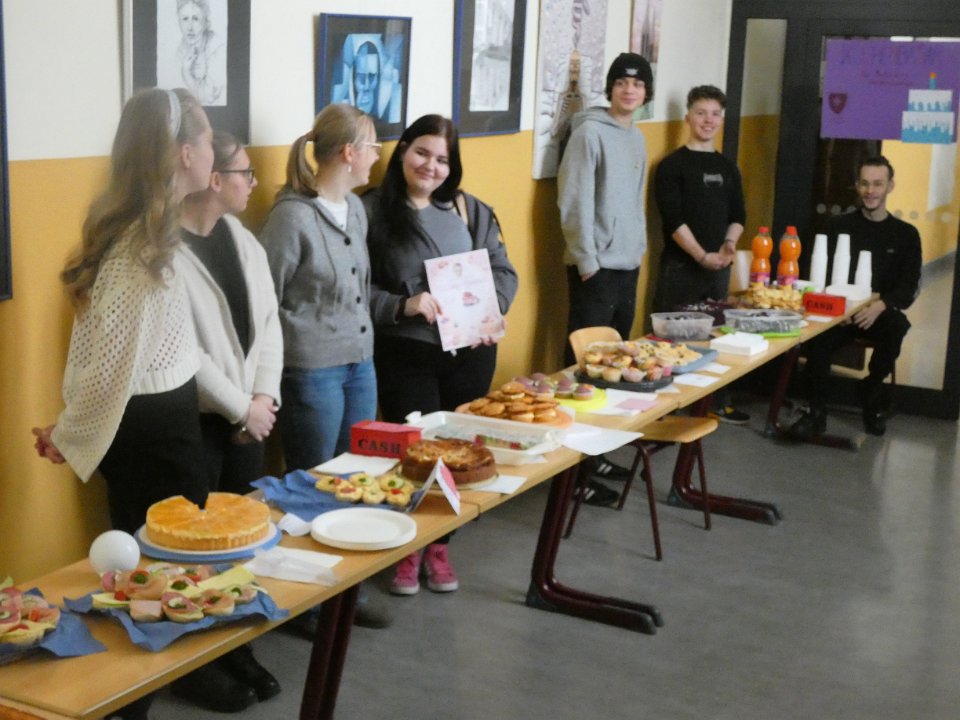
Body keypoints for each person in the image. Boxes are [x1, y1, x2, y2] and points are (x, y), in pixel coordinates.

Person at [30, 88, 257, 719]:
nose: (213, 150)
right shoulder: (140, 253)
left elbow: (157, 354)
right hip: (153, 438)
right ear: (183, 153)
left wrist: (72, 426)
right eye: (206, 139)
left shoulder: (155, 239)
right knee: (154, 580)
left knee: (159, 576)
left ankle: (148, 692)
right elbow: (109, 368)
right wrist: (71, 432)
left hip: (164, 425)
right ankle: (131, 703)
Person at [363, 114, 518, 596]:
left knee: (458, 453)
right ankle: (409, 546)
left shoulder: (470, 210)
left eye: (443, 160)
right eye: (422, 153)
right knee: (416, 452)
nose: (431, 166)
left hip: (470, 352)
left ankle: (440, 545)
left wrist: (492, 311)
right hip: (406, 350)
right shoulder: (369, 211)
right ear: (402, 152)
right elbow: (349, 290)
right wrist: (401, 305)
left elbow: (503, 271)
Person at [260, 104, 389, 630]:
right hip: (312, 369)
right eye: (373, 146)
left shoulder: (355, 209)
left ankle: (346, 594)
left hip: (360, 363)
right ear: (348, 153)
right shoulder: (291, 218)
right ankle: (305, 601)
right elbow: (265, 300)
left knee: (355, 478)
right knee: (311, 485)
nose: (378, 156)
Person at [557, 52, 652, 503]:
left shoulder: (637, 137)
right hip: (594, 267)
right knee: (583, 367)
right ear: (611, 88)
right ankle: (571, 471)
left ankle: (595, 455)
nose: (629, 90)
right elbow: (573, 198)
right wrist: (586, 259)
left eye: (638, 84)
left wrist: (638, 248)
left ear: (646, 93)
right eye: (621, 82)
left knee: (613, 370)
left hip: (626, 264)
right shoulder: (589, 133)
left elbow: (634, 201)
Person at [789, 155, 921, 438]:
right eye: (865, 184)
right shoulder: (837, 226)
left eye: (877, 184)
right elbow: (820, 276)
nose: (870, 191)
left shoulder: (906, 235)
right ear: (857, 186)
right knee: (817, 338)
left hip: (877, 312)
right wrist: (838, 309)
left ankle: (871, 390)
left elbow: (908, 287)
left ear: (890, 186)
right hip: (838, 312)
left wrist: (880, 305)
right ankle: (816, 412)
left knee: (896, 328)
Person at [180, 131, 282, 495]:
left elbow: (269, 324)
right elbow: (184, 350)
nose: (254, 182)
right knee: (200, 524)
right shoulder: (167, 253)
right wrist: (242, 410)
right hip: (198, 425)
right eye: (245, 173)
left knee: (246, 521)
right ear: (215, 179)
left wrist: (263, 399)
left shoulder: (244, 240)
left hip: (251, 422)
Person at [653, 84, 749, 425]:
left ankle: (714, 403)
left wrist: (729, 245)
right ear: (688, 117)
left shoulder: (727, 166)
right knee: (673, 341)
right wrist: (700, 256)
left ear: (722, 119)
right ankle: (667, 408)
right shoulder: (672, 165)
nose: (708, 120)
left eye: (715, 114)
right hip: (681, 267)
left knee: (716, 339)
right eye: (701, 113)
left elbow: (739, 214)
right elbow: (673, 220)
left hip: (719, 267)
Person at [173, 0, 226, 105]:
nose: (189, 27)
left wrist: (186, 73)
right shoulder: (180, 49)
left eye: (196, 19)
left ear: (205, 22)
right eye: (185, 19)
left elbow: (208, 97)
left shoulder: (217, 48)